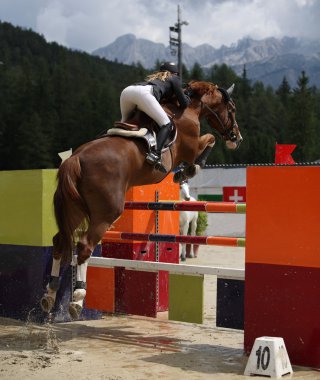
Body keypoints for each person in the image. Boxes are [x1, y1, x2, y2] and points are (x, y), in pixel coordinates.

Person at [120, 62, 191, 172]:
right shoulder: (174, 78)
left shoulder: (157, 79)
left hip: (127, 91)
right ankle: (155, 154)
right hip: (144, 94)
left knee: (124, 125)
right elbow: (184, 103)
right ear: (175, 73)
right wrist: (187, 96)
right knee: (166, 124)